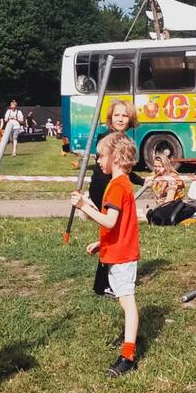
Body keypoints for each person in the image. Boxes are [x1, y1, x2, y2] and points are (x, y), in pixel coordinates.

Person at [70, 133, 141, 378]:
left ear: (117, 157)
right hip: (120, 251)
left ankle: (128, 355)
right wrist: (101, 243)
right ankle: (130, 342)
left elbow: (110, 222)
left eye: (101, 156)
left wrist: (84, 206)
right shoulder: (122, 184)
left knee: (127, 302)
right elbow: (120, 225)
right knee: (125, 300)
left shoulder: (116, 186)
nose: (99, 161)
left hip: (122, 256)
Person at [87, 100, 143, 297]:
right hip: (104, 187)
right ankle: (106, 282)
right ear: (110, 118)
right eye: (117, 115)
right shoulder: (108, 138)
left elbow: (126, 170)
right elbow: (106, 167)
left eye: (125, 115)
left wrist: (141, 181)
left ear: (131, 119)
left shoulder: (124, 138)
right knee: (110, 231)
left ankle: (105, 282)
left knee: (112, 232)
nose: (120, 118)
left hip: (113, 187)